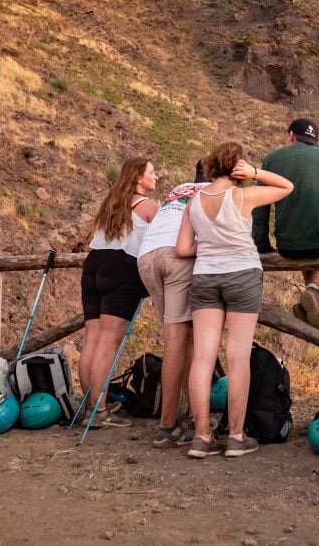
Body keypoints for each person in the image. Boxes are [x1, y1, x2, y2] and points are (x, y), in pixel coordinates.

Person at [177, 141, 292, 458]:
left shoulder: (194, 200)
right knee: (238, 356)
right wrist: (255, 172)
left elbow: (184, 248)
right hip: (241, 273)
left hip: (204, 277)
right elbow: (286, 186)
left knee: (203, 356)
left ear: (213, 165)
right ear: (238, 165)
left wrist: (213, 246)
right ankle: (236, 437)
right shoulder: (243, 194)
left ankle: (201, 436)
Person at [252, 118, 319, 332]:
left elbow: (260, 207)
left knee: (308, 243)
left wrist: (262, 246)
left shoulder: (271, 159)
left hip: (287, 245)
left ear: (291, 135)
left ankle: (311, 290)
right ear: (315, 141)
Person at [80, 157, 159, 428]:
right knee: (108, 342)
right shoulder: (150, 207)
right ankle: (98, 411)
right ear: (138, 177)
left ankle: (90, 405)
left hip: (93, 265)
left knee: (92, 339)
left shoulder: (110, 204)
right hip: (122, 268)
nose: (156, 176)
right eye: (151, 172)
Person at [137, 161, 208, 448]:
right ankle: (168, 425)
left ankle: (191, 415)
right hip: (177, 257)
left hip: (147, 256)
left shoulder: (179, 189)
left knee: (183, 337)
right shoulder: (215, 191)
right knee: (176, 341)